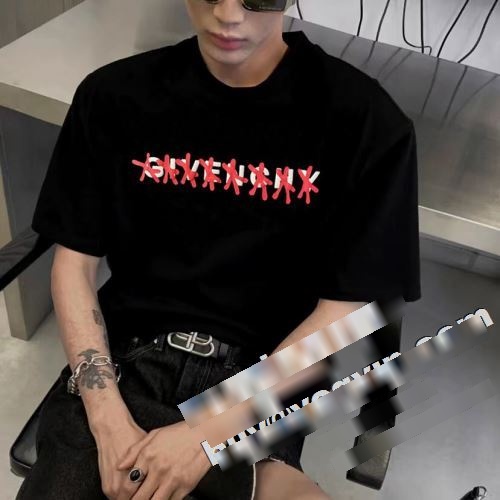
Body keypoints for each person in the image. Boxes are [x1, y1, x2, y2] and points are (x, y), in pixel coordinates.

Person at [16, 0, 421, 498]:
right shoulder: (115, 96)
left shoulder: (365, 122)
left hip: (262, 380)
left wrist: (207, 435)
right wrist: (106, 417)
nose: (229, 14)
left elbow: (343, 308)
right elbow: (74, 264)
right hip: (127, 364)